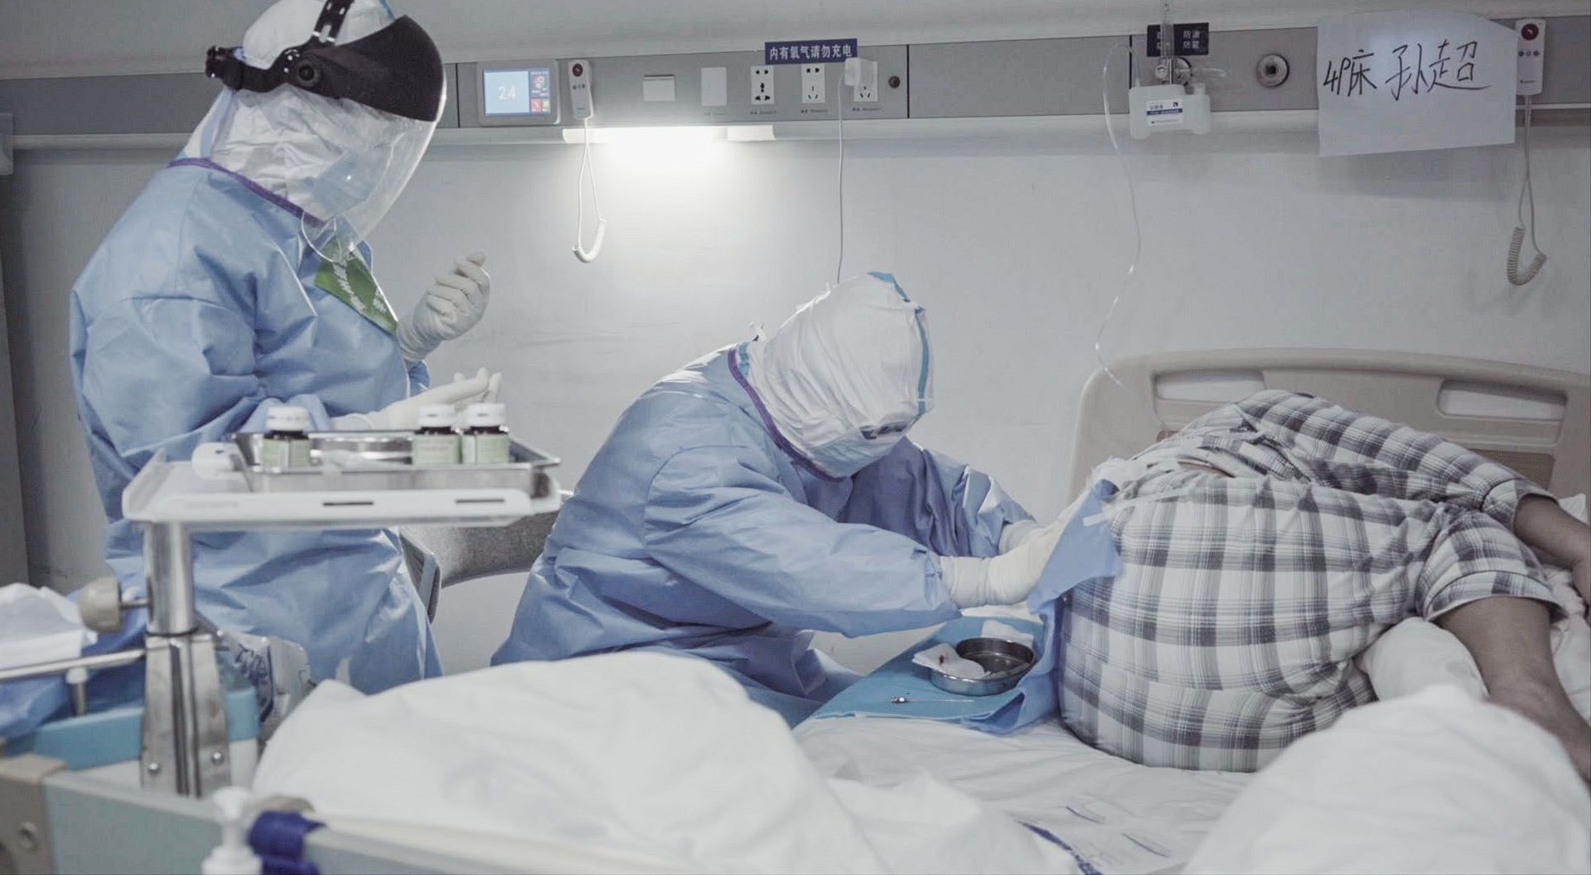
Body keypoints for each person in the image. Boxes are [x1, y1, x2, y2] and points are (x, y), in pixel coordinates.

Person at [69, 0, 500, 693]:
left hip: (360, 600)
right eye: (368, 129)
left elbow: (323, 373)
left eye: (391, 139)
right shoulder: (169, 259)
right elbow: (193, 472)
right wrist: (378, 437)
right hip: (248, 630)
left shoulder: (304, 223)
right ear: (294, 100)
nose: (374, 155)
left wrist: (407, 349)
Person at [492, 272, 1065, 725]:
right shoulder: (682, 449)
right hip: (610, 672)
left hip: (743, 661)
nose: (883, 450)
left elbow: (923, 488)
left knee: (892, 731)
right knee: (829, 775)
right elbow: (807, 566)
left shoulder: (802, 407)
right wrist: (983, 580)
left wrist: (1012, 533)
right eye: (873, 435)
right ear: (815, 398)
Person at [1055, 389, 1591, 781]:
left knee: (1384, 655)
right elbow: (1445, 471)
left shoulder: (1128, 474)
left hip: (1105, 705)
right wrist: (1578, 545)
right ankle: (1531, 699)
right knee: (1461, 528)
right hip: (1196, 543)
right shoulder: (1264, 412)